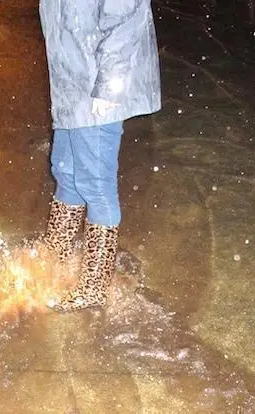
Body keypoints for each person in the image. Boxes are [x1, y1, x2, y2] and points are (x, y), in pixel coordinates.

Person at [39, 0, 161, 311]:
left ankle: (95, 286)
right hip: (70, 83)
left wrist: (109, 85)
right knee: (66, 171)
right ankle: (56, 256)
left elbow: (126, 19)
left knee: (95, 184)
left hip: (96, 85)